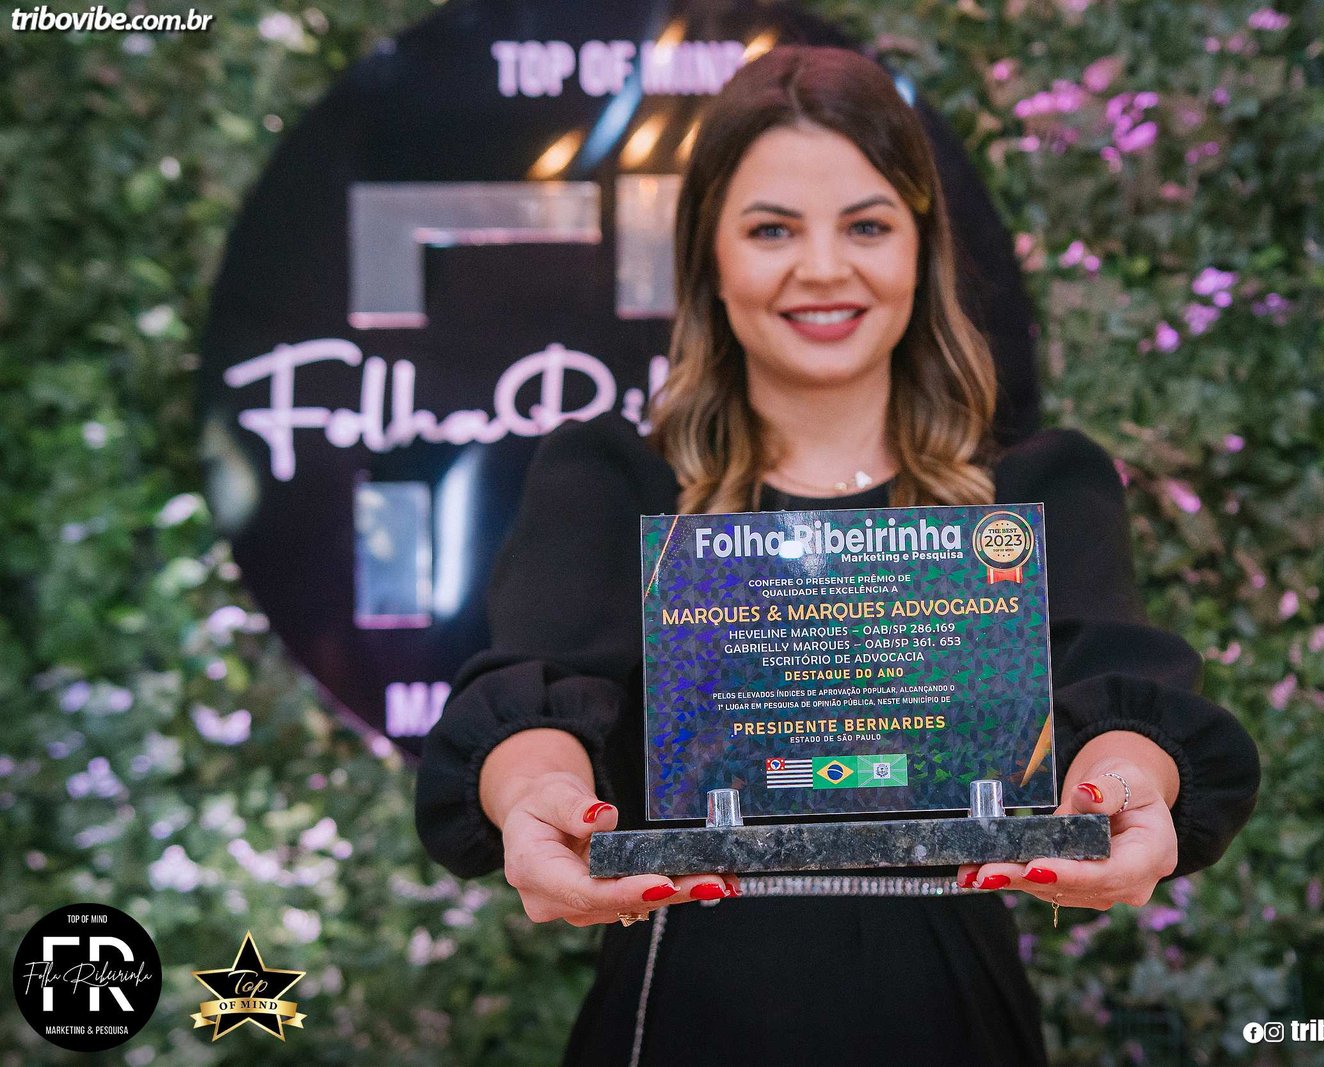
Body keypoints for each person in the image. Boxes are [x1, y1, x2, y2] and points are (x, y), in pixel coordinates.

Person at [415, 45, 1260, 1066]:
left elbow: (1115, 693)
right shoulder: (615, 486)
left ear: (921, 248)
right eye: (772, 229)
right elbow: (536, 698)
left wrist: (1123, 785)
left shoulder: (1035, 493)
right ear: (708, 256)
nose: (822, 268)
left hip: (950, 1013)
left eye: (866, 225)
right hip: (685, 1011)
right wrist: (535, 796)